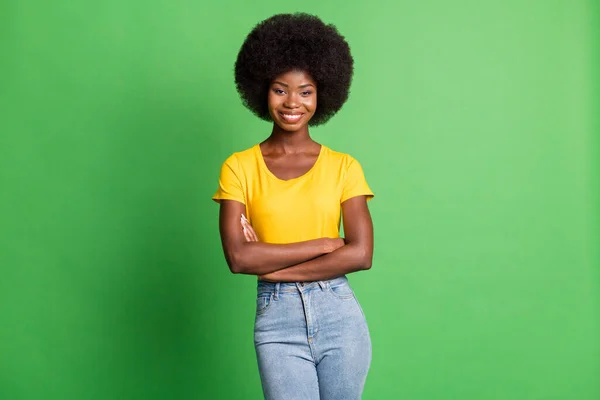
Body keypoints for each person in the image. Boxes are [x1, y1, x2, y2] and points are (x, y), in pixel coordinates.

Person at [212, 13, 374, 400]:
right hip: (276, 321)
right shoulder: (239, 167)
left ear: (322, 95)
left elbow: (362, 254)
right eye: (280, 90)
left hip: (339, 314)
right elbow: (238, 258)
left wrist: (273, 266)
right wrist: (324, 243)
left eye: (305, 91)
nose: (292, 103)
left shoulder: (343, 167)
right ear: (261, 91)